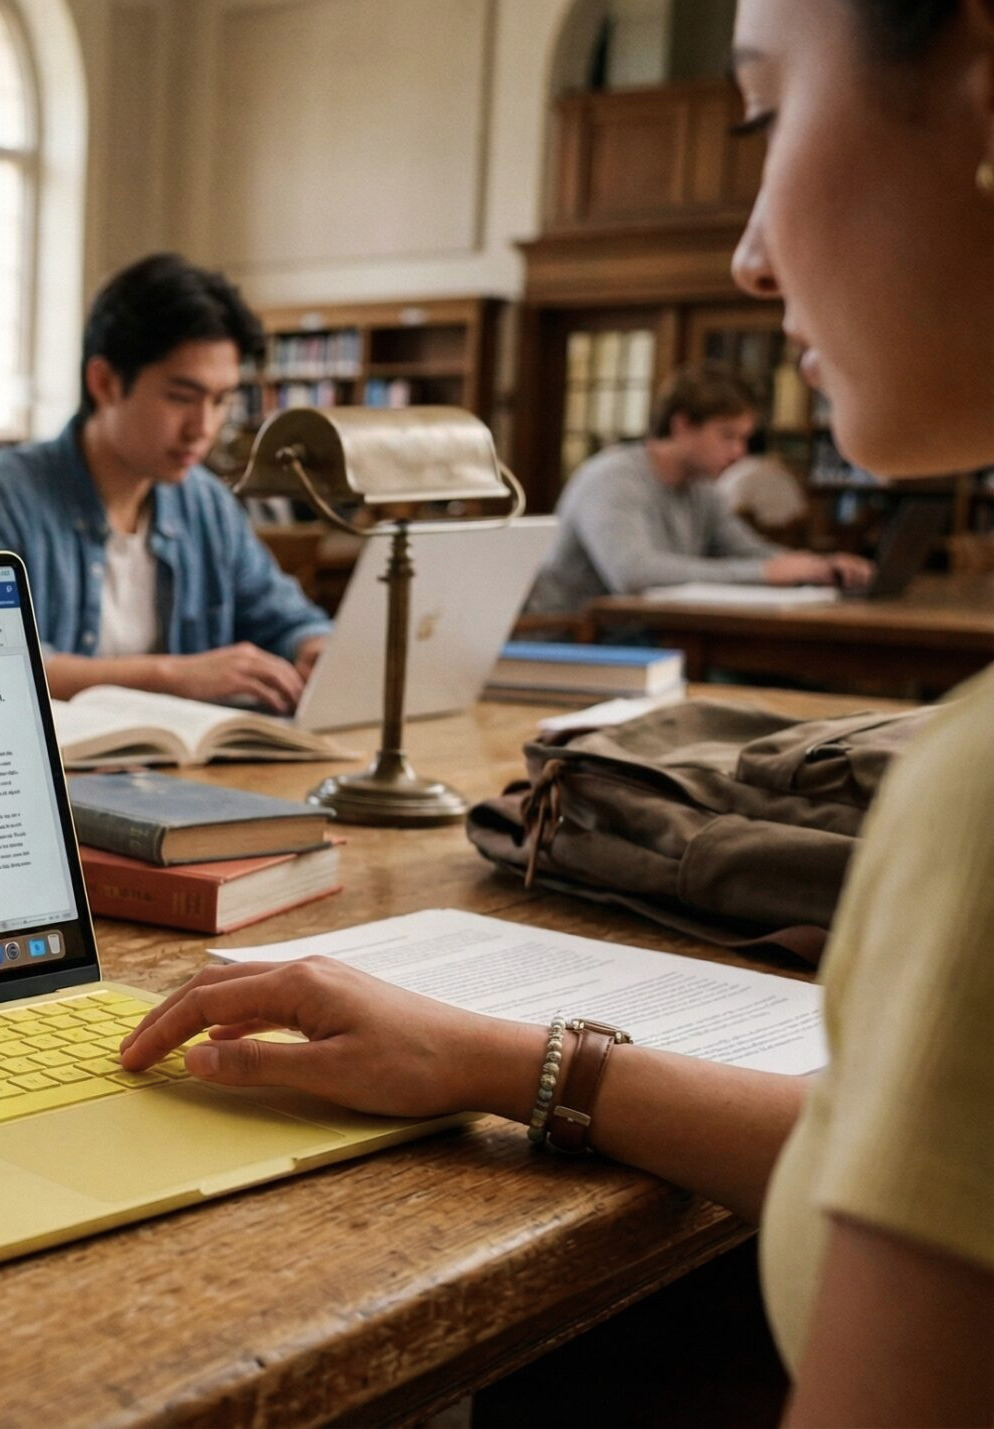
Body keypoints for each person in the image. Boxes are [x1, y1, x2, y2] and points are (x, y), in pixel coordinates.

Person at [119, 2, 994, 1419]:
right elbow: (893, 1151)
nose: (749, 251)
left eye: (764, 116)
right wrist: (489, 1055)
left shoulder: (978, 803)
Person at [0, 254, 329, 713]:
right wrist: (172, 677)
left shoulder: (207, 505)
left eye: (221, 401)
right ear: (103, 382)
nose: (203, 427)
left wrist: (313, 646)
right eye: (182, 397)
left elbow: (286, 618)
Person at [525, 366, 869, 614]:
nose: (739, 452)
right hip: (580, 643)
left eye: (743, 439)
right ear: (682, 425)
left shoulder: (701, 488)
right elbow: (634, 575)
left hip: (645, 635)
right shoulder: (612, 479)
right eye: (728, 436)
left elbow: (747, 550)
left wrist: (820, 566)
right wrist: (765, 574)